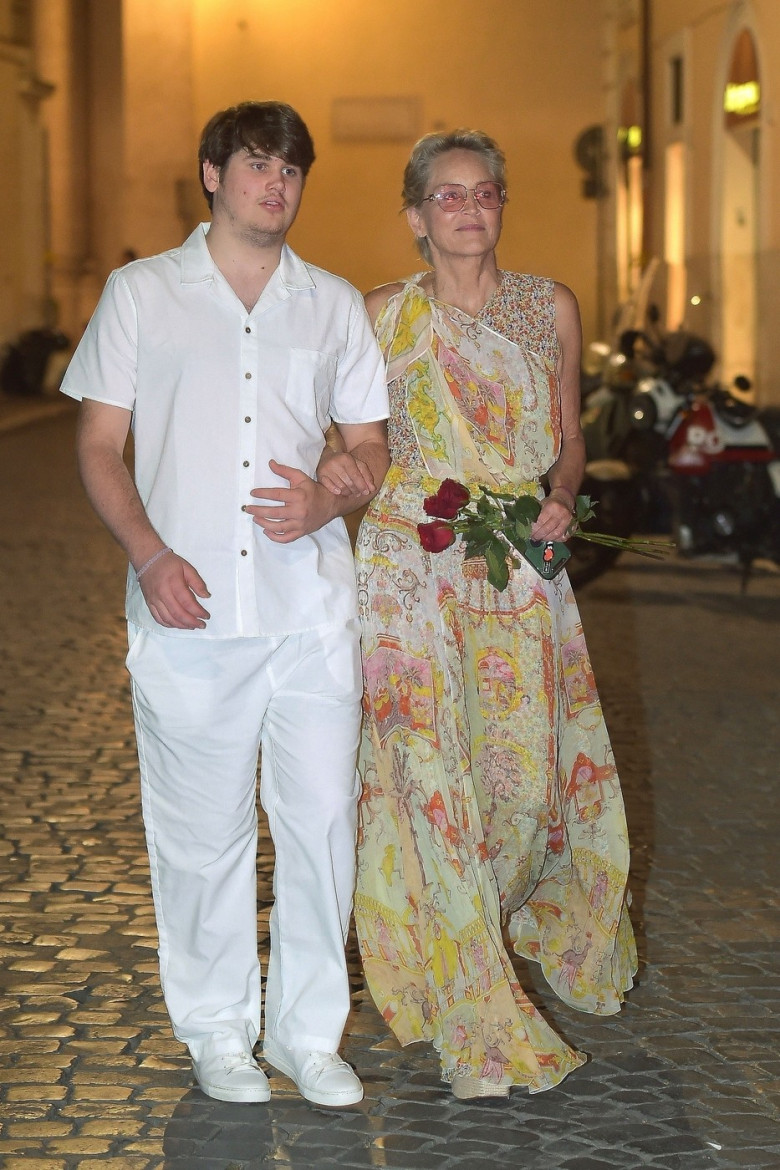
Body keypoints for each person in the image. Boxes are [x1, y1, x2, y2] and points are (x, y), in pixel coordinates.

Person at [61, 101, 390, 1107]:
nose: (277, 184)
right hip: (189, 613)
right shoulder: (140, 294)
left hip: (310, 612)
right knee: (200, 837)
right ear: (212, 175)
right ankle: (217, 1033)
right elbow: (94, 446)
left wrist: (334, 488)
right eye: (258, 165)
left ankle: (306, 1035)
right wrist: (149, 553)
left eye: (292, 169)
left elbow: (371, 446)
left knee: (323, 823)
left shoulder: (332, 303)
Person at [342, 129, 637, 1100]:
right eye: (447, 196)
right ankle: (460, 982)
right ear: (416, 214)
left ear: (502, 203)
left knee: (515, 780)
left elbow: (571, 443)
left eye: (483, 194)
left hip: (515, 568)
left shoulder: (548, 306)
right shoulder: (379, 315)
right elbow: (356, 444)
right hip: (408, 573)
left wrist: (559, 494)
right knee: (428, 774)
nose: (467, 210)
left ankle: (483, 927)